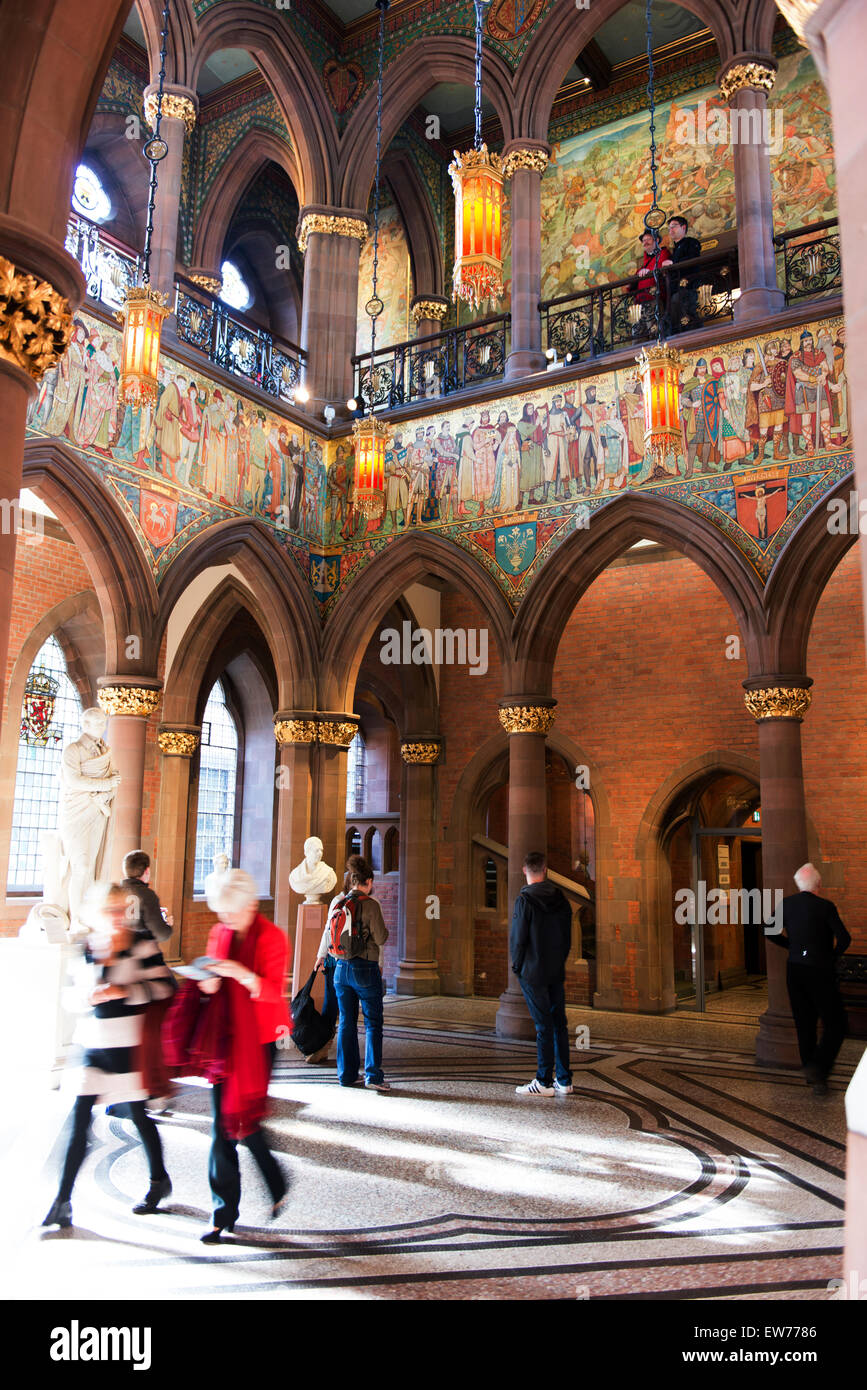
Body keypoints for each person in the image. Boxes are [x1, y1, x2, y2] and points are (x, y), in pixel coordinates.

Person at [42, 882, 175, 1229]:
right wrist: (88, 996)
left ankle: (158, 1180)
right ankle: (62, 1199)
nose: (115, 917)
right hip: (93, 1047)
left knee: (139, 1116)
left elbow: (166, 986)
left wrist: (125, 991)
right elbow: (69, 997)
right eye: (108, 911)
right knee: (79, 1122)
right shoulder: (86, 947)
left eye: (120, 910)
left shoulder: (141, 942)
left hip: (129, 1048)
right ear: (96, 914)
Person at [197, 870, 292, 1242]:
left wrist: (240, 973)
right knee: (222, 1124)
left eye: (232, 914)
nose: (226, 921)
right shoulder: (220, 931)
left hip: (260, 1038)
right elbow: (210, 973)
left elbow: (271, 991)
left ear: (252, 905)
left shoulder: (272, 938)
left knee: (248, 1122)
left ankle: (276, 1181)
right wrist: (207, 981)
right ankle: (223, 1213)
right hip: (225, 1037)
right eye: (222, 914)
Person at [768, 863, 850, 1095]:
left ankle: (813, 1077)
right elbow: (844, 938)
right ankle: (819, 1068)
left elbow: (769, 930)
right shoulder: (825, 907)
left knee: (804, 1024)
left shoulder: (788, 904)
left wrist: (791, 946)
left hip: (795, 970)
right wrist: (830, 956)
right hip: (820, 970)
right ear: (818, 884)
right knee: (836, 1024)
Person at [315, 855, 389, 1090]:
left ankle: (346, 1075)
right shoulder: (370, 904)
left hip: (340, 970)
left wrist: (321, 956)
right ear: (367, 881)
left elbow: (329, 933)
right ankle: (373, 1076)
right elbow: (381, 937)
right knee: (373, 1023)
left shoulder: (338, 903)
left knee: (346, 1021)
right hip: (365, 969)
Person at [510, 851, 573, 1097]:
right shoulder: (561, 898)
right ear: (545, 870)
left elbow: (518, 938)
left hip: (533, 972)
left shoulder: (524, 900)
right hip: (555, 969)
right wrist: (560, 960)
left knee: (542, 1025)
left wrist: (517, 966)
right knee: (559, 1023)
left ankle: (544, 1081)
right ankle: (565, 1080)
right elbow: (568, 936)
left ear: (524, 870)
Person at [121, 850, 172, 944]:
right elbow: (161, 934)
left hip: (119, 950)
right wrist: (167, 924)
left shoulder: (117, 892)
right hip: (140, 951)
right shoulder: (148, 895)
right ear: (147, 870)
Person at [666, 215, 703, 333]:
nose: (671, 230)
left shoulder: (691, 242)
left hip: (689, 286)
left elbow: (692, 259)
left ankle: (695, 334)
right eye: (669, 228)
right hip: (676, 289)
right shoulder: (675, 250)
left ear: (683, 227)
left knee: (687, 311)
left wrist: (673, 263)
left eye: (674, 226)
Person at [632, 230, 671, 342]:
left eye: (648, 239)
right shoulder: (645, 260)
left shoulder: (663, 253)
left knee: (655, 332)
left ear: (656, 240)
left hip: (653, 299)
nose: (645, 242)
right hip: (640, 302)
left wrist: (648, 271)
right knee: (638, 335)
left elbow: (661, 267)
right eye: (643, 241)